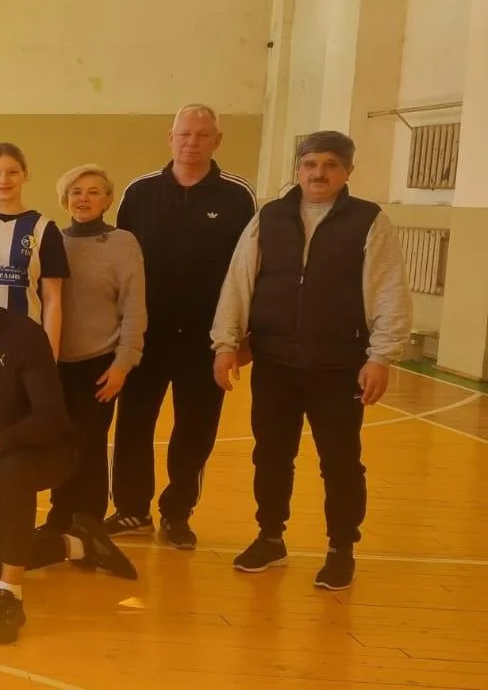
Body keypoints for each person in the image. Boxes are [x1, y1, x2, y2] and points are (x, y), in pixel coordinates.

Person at [212, 130, 410, 591]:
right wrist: (225, 343)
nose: (318, 173)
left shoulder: (369, 220)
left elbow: (389, 290)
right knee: (271, 456)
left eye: (330, 165)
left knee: (340, 462)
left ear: (347, 171)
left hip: (338, 367)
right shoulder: (270, 217)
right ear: (298, 169)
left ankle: (341, 549)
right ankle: (270, 537)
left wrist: (381, 356)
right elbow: (239, 281)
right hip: (276, 364)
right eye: (310, 164)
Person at [0, 250, 136, 645]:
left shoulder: (23, 334)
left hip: (48, 450)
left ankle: (10, 595)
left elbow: (51, 418)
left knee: (13, 469)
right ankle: (79, 543)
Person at [108, 103, 256, 548]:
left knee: (195, 429)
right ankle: (132, 510)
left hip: (205, 340)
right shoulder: (139, 193)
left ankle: (177, 514)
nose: (192, 142)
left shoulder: (238, 197)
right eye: (184, 134)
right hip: (145, 336)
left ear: (217, 141)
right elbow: (120, 264)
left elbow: (249, 271)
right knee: (133, 423)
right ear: (170, 138)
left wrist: (240, 336)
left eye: (202, 135)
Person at [45, 165, 146, 534]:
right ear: (65, 200)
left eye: (93, 192)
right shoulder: (52, 240)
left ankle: (86, 524)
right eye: (76, 192)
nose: (83, 199)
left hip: (100, 363)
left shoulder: (123, 243)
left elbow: (134, 308)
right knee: (60, 442)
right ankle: (59, 518)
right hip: (56, 363)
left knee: (89, 444)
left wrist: (122, 364)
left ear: (107, 200)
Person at [0, 143, 68, 357]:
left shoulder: (44, 229)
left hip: (26, 344)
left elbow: (52, 299)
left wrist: (50, 357)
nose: (3, 180)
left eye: (12, 172)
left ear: (25, 175)